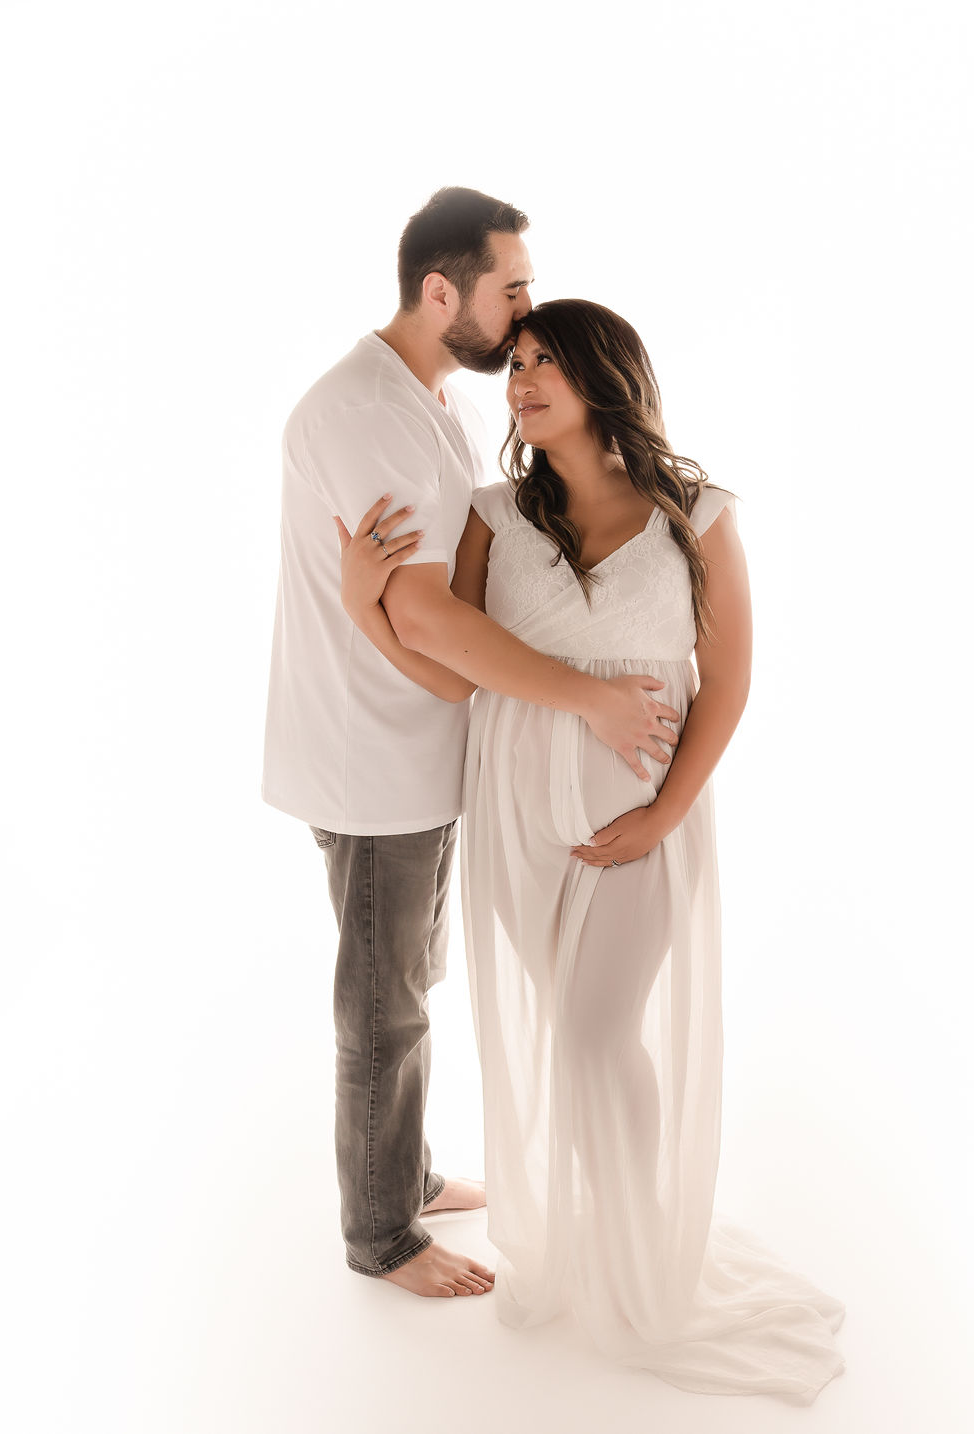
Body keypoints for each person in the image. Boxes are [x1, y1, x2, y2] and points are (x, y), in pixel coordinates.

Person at [338, 299, 846, 1398]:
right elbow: (455, 671)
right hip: (520, 814)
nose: (519, 379)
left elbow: (729, 680)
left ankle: (648, 1252)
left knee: (597, 1030)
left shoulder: (695, 513)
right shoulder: (490, 514)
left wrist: (663, 816)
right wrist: (365, 610)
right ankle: (608, 1236)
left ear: (604, 377)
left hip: (640, 816)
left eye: (545, 364)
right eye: (514, 361)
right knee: (580, 1033)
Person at [262, 192, 682, 1300]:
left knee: (412, 975)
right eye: (512, 289)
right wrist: (585, 703)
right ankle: (380, 1234)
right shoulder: (361, 411)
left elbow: (441, 597)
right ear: (440, 292)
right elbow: (430, 612)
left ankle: (405, 1172)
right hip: (371, 755)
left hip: (424, 743)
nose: (525, 311)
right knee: (383, 1002)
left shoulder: (428, 401)